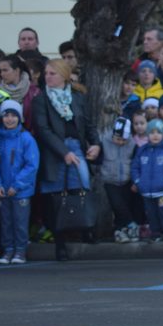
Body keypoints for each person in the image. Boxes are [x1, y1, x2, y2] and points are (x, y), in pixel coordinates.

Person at [32, 59, 100, 261]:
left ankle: (86, 228)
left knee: (81, 186)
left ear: (64, 75)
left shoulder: (77, 97)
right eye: (46, 73)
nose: (48, 77)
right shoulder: (41, 100)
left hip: (76, 147)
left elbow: (88, 124)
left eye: (52, 73)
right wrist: (63, 152)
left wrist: (95, 144)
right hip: (54, 151)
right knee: (55, 195)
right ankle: (60, 242)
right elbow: (43, 130)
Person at [0, 100, 38, 264]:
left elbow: (31, 165)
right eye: (6, 115)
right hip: (3, 189)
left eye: (14, 115)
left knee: (20, 221)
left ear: (20, 118)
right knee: (6, 221)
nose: (10, 119)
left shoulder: (26, 139)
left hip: (21, 190)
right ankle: (8, 250)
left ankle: (20, 250)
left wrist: (17, 185)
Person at [132, 119, 163, 244]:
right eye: (152, 132)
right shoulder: (142, 150)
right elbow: (135, 167)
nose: (155, 135)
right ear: (147, 134)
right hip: (146, 191)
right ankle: (155, 233)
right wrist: (138, 181)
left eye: (158, 132)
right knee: (151, 213)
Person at [101, 116, 141, 244]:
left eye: (124, 140)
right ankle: (132, 224)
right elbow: (98, 158)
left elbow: (135, 163)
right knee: (116, 204)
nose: (120, 142)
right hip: (110, 179)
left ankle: (120, 230)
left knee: (124, 206)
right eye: (118, 139)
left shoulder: (132, 144)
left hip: (126, 179)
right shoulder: (104, 141)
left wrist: (135, 181)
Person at [0, 55, 39, 129]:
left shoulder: (34, 92)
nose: (1, 74)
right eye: (1, 70)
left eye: (5, 70)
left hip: (29, 136)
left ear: (17, 70)